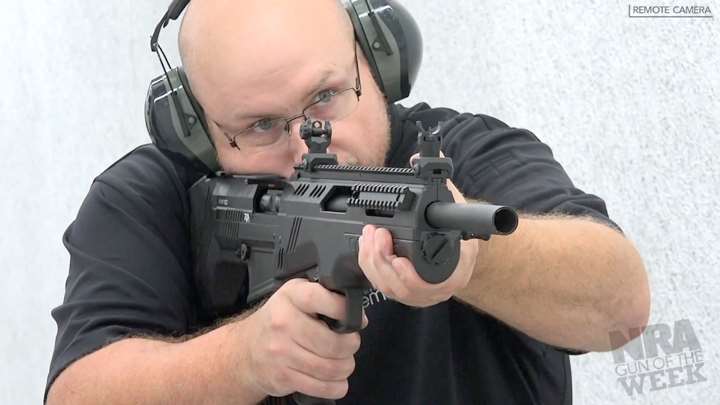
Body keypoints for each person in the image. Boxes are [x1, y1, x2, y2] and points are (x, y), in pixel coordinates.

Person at [45, 1, 650, 404]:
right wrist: (242, 360)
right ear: (196, 131)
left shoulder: (468, 153)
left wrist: (475, 265)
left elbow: (621, 304)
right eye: (259, 126)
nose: (310, 141)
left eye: (327, 96)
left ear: (377, 61)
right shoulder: (148, 200)